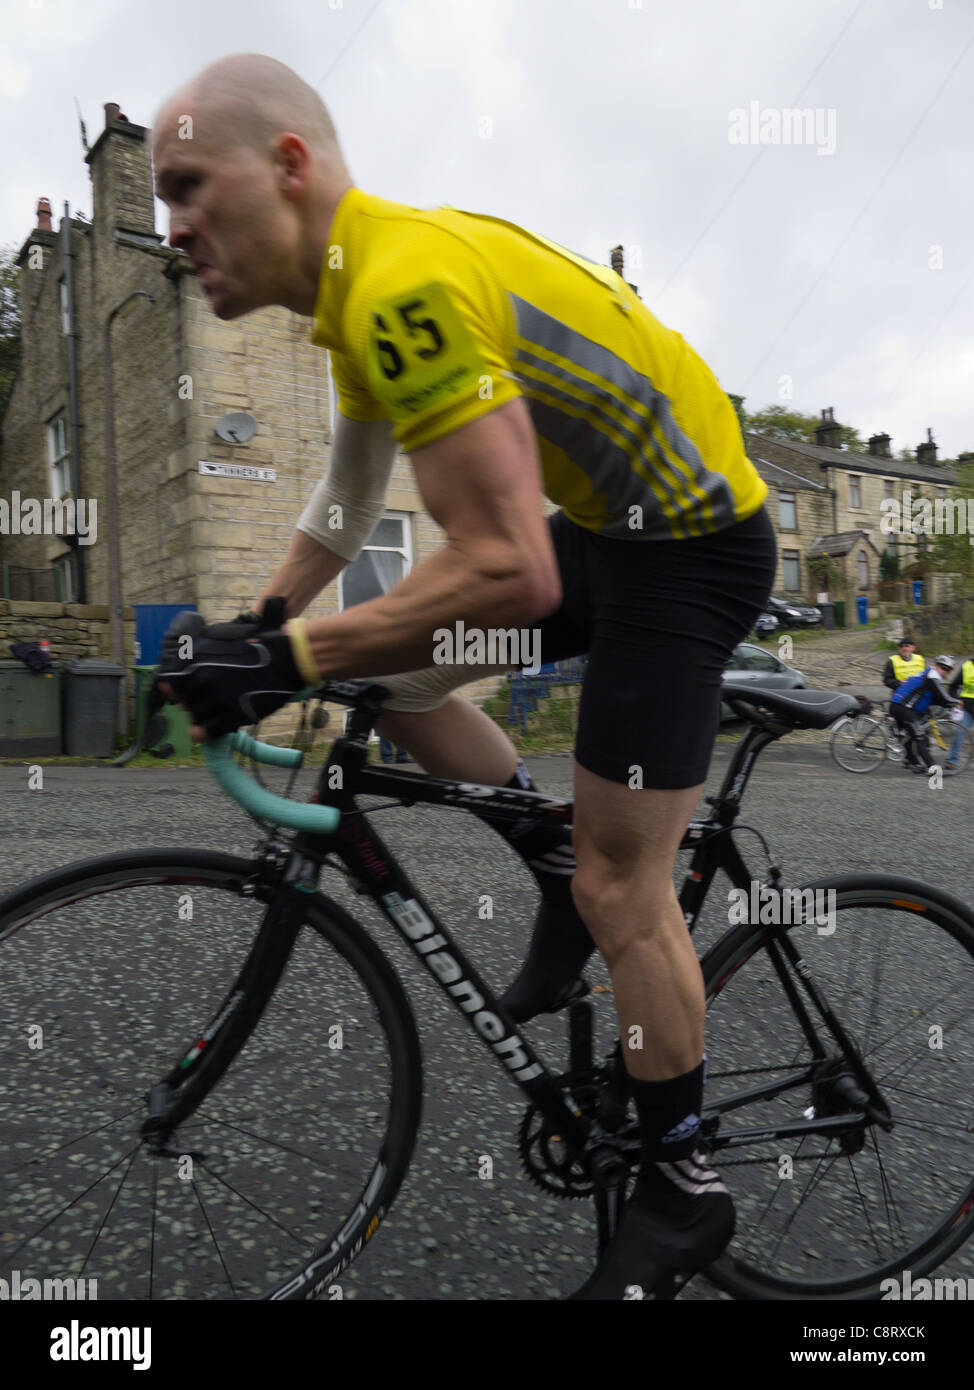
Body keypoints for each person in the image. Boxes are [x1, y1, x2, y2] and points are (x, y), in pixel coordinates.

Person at [153, 53, 776, 1299]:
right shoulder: (359, 287)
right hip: (617, 532)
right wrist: (254, 623)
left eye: (186, 186)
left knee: (624, 884)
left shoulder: (405, 284)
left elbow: (508, 572)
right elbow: (342, 507)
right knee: (405, 684)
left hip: (693, 552)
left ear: (286, 166)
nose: (173, 229)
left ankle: (682, 1184)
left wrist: (282, 657)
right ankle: (545, 856)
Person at [889, 655, 957, 773]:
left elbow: (936, 698)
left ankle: (913, 762)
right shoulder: (932, 675)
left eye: (947, 670)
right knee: (919, 736)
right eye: (943, 668)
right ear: (936, 666)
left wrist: (948, 704)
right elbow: (943, 697)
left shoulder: (930, 675)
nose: (944, 672)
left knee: (911, 736)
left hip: (903, 707)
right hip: (903, 707)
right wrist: (957, 702)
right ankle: (933, 769)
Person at [946, 650, 974, 770]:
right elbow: (953, 687)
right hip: (967, 707)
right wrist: (957, 700)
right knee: (959, 732)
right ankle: (952, 760)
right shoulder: (966, 666)